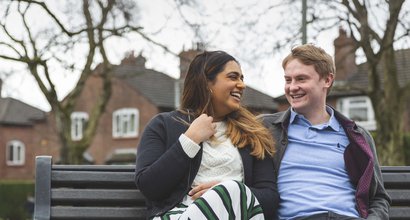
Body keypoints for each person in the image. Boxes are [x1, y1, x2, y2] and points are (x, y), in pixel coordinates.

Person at [135, 50, 278, 219]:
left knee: (230, 189)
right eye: (233, 77)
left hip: (239, 214)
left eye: (242, 78)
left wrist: (224, 193)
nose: (242, 85)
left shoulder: (253, 134)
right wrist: (190, 140)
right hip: (180, 215)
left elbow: (270, 199)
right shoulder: (163, 125)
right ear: (206, 83)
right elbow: (150, 187)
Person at [262, 44, 391, 220]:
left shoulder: (357, 136)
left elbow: (378, 197)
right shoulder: (266, 129)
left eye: (301, 79)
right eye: (288, 80)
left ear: (327, 80)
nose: (292, 87)